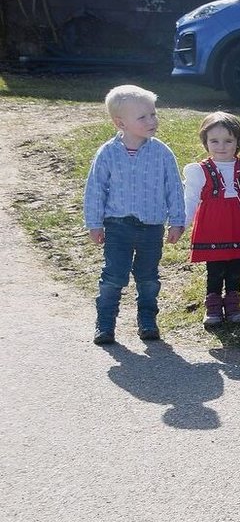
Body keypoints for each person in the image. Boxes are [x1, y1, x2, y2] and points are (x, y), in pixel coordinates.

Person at [82, 85, 185, 345]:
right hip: (117, 225)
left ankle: (147, 320)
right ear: (121, 123)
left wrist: (177, 220)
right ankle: (105, 323)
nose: (152, 121)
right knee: (114, 275)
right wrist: (94, 224)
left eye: (153, 114)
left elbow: (174, 187)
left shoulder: (161, 152)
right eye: (143, 117)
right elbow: (95, 189)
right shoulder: (107, 152)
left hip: (152, 226)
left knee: (148, 276)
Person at [183, 112, 240, 328]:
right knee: (215, 266)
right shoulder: (199, 170)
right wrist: (181, 223)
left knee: (236, 265)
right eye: (214, 141)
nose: (221, 146)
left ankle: (233, 303)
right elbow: (191, 198)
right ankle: (213, 304)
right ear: (205, 142)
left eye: (228, 141)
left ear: (238, 142)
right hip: (213, 224)